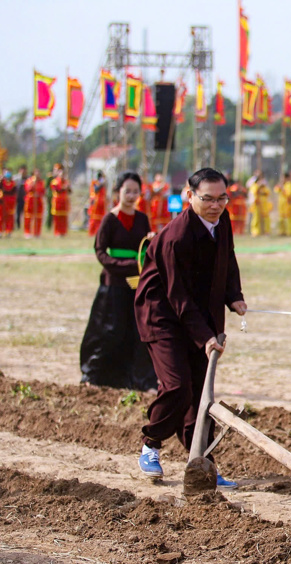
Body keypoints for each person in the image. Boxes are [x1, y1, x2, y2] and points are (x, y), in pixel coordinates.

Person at [133, 167, 246, 487]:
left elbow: (229, 260)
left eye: (222, 198)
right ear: (189, 196)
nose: (216, 205)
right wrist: (205, 337)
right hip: (163, 316)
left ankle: (202, 466)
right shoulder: (176, 237)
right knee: (177, 386)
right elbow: (176, 295)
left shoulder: (222, 223)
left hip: (196, 315)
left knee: (200, 396)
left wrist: (234, 296)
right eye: (207, 199)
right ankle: (150, 445)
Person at [80, 172, 157, 391]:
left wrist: (150, 244)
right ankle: (93, 375)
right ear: (118, 192)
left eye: (136, 191)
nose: (132, 196)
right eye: (127, 191)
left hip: (136, 284)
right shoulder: (109, 219)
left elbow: (145, 248)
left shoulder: (142, 219)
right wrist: (124, 265)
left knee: (136, 331)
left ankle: (138, 379)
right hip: (112, 284)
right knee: (109, 331)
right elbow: (100, 251)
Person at [22, 169, 45, 238]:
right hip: (30, 200)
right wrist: (32, 184)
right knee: (28, 216)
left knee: (38, 217)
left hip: (38, 200)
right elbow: (27, 189)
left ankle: (37, 233)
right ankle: (27, 232)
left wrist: (39, 194)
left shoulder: (41, 182)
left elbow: (43, 191)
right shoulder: (29, 181)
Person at [0, 171, 17, 237]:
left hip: (9, 202)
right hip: (2, 201)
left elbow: (13, 192)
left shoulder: (13, 183)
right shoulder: (1, 182)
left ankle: (8, 231)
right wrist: (0, 180)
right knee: (0, 217)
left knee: (9, 217)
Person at [50, 165, 71, 236]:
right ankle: (57, 232)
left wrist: (68, 187)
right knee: (57, 218)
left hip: (64, 202)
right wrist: (64, 187)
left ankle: (63, 232)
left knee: (64, 218)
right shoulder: (54, 181)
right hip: (57, 202)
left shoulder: (66, 181)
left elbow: (70, 191)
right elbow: (57, 190)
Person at [87, 172, 107, 236]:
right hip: (95, 203)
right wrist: (101, 184)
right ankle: (92, 232)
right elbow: (95, 190)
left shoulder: (104, 185)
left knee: (101, 219)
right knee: (94, 218)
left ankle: (99, 232)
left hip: (102, 204)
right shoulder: (94, 183)